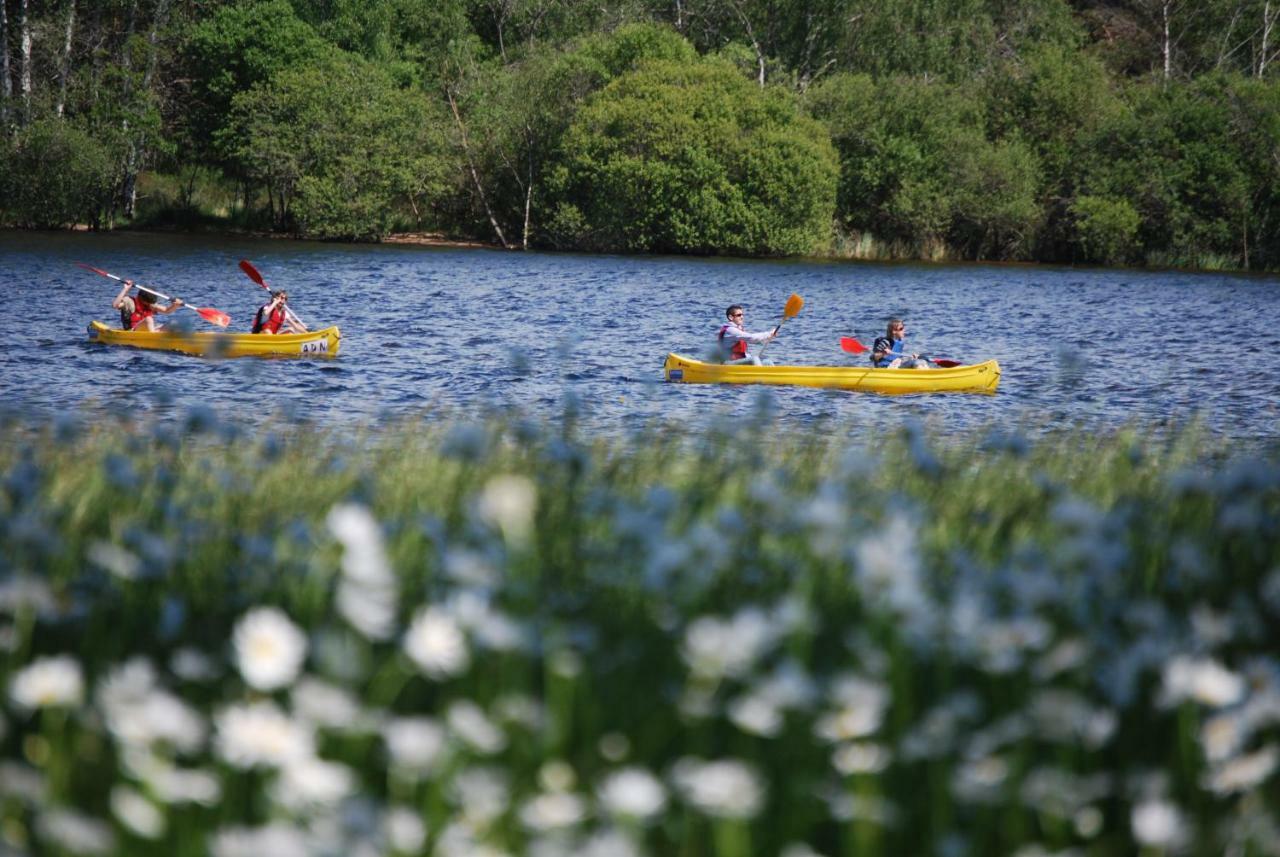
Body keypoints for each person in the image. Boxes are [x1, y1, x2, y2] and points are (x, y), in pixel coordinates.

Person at [112, 280, 183, 331]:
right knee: (149, 319)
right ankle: (154, 339)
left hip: (147, 331)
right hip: (132, 331)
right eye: (148, 302)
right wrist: (125, 289)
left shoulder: (150, 304)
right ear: (142, 298)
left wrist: (175, 305)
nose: (150, 304)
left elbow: (167, 310)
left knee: (173, 323)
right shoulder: (129, 301)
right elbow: (115, 305)